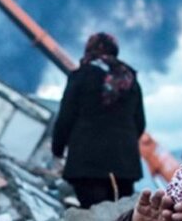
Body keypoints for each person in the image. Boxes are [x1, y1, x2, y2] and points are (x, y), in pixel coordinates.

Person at [52, 32, 146, 208]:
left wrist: (58, 149)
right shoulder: (131, 81)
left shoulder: (81, 76)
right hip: (124, 166)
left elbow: (66, 117)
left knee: (94, 214)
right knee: (119, 216)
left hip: (87, 164)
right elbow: (139, 123)